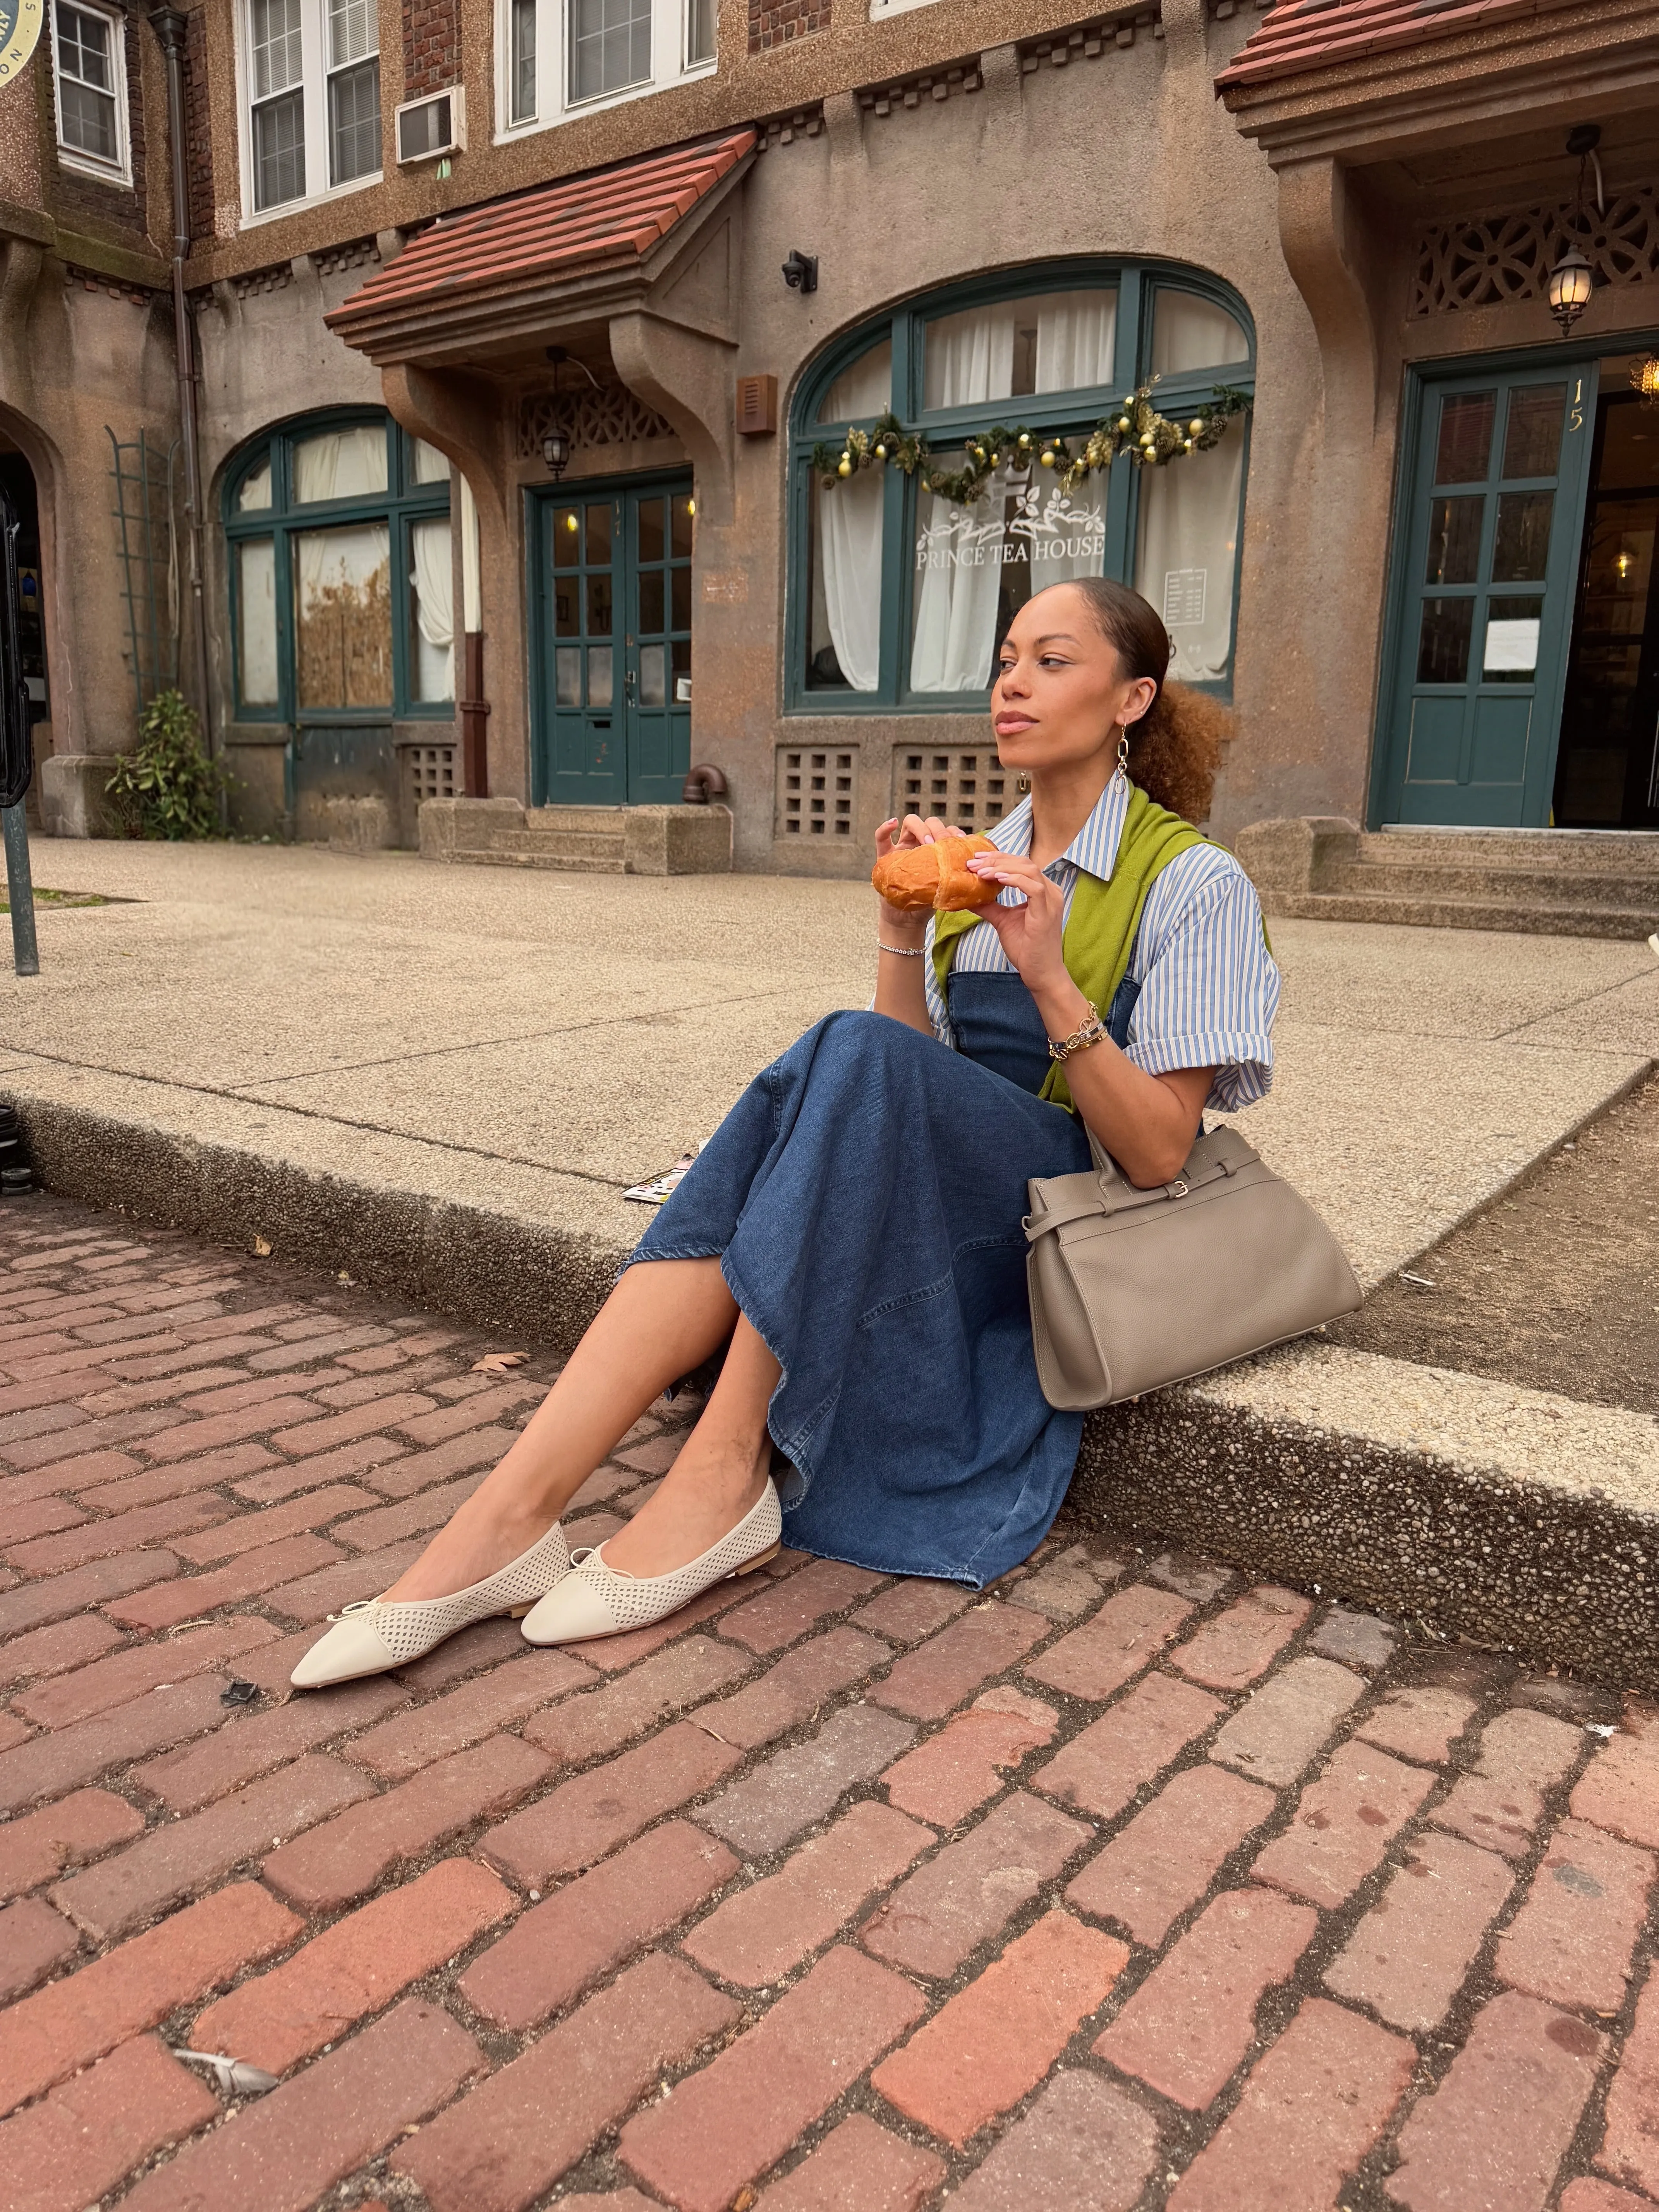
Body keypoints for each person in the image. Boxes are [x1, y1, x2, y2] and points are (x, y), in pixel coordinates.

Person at [291, 576, 1279, 1687]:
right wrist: (900, 929)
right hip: (945, 1196)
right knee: (848, 1056)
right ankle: (507, 1518)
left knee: (841, 1060)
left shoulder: (1193, 882)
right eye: (1005, 657)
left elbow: (1153, 1155)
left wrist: (1048, 977)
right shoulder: (978, 859)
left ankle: (719, 1475)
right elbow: (907, 1075)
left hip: (1070, 1221)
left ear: (1131, 698)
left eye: (1052, 661)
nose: (1011, 682)